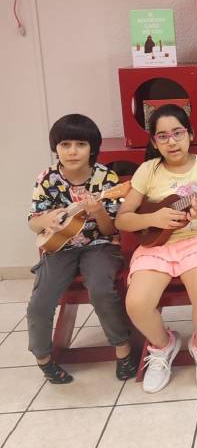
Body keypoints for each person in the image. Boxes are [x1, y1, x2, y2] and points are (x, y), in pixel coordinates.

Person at [115, 104, 197, 393]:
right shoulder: (148, 171)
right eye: (163, 136)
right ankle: (163, 345)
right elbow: (123, 219)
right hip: (157, 245)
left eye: (178, 133)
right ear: (154, 142)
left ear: (190, 134)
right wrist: (152, 218)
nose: (172, 141)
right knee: (136, 303)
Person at [27, 114, 137, 384]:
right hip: (59, 247)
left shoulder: (106, 178)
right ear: (56, 148)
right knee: (40, 301)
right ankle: (44, 359)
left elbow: (110, 230)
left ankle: (123, 350)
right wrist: (48, 219)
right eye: (65, 144)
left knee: (100, 289)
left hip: (99, 245)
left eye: (80, 144)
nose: (73, 151)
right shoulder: (47, 178)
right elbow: (33, 221)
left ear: (92, 148)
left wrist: (98, 211)